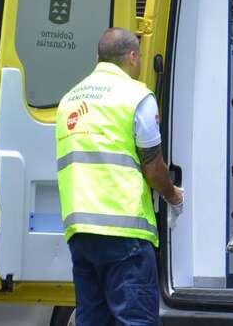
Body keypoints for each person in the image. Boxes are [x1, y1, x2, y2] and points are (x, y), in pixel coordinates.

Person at [55, 27, 184, 325]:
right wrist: (172, 195)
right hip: (124, 232)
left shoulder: (69, 100)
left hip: (81, 232)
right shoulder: (136, 96)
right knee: (135, 319)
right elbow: (153, 166)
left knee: (92, 319)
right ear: (133, 56)